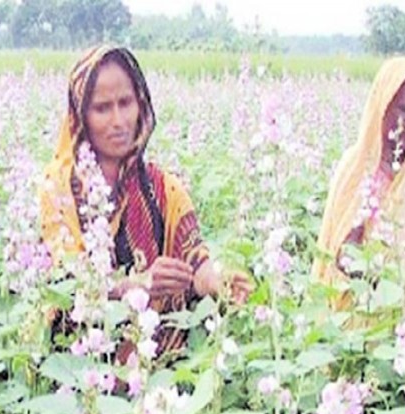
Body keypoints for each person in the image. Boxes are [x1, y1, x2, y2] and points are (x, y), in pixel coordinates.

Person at [40, 45, 251, 353]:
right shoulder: (59, 193)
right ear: (80, 115)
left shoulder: (162, 189)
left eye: (126, 103)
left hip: (157, 370)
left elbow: (193, 256)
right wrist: (133, 286)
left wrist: (213, 280)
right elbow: (62, 287)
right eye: (102, 108)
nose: (118, 120)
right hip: (80, 369)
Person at [312, 57, 405, 310]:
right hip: (356, 316)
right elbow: (343, 257)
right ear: (383, 107)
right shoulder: (357, 169)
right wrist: (385, 287)